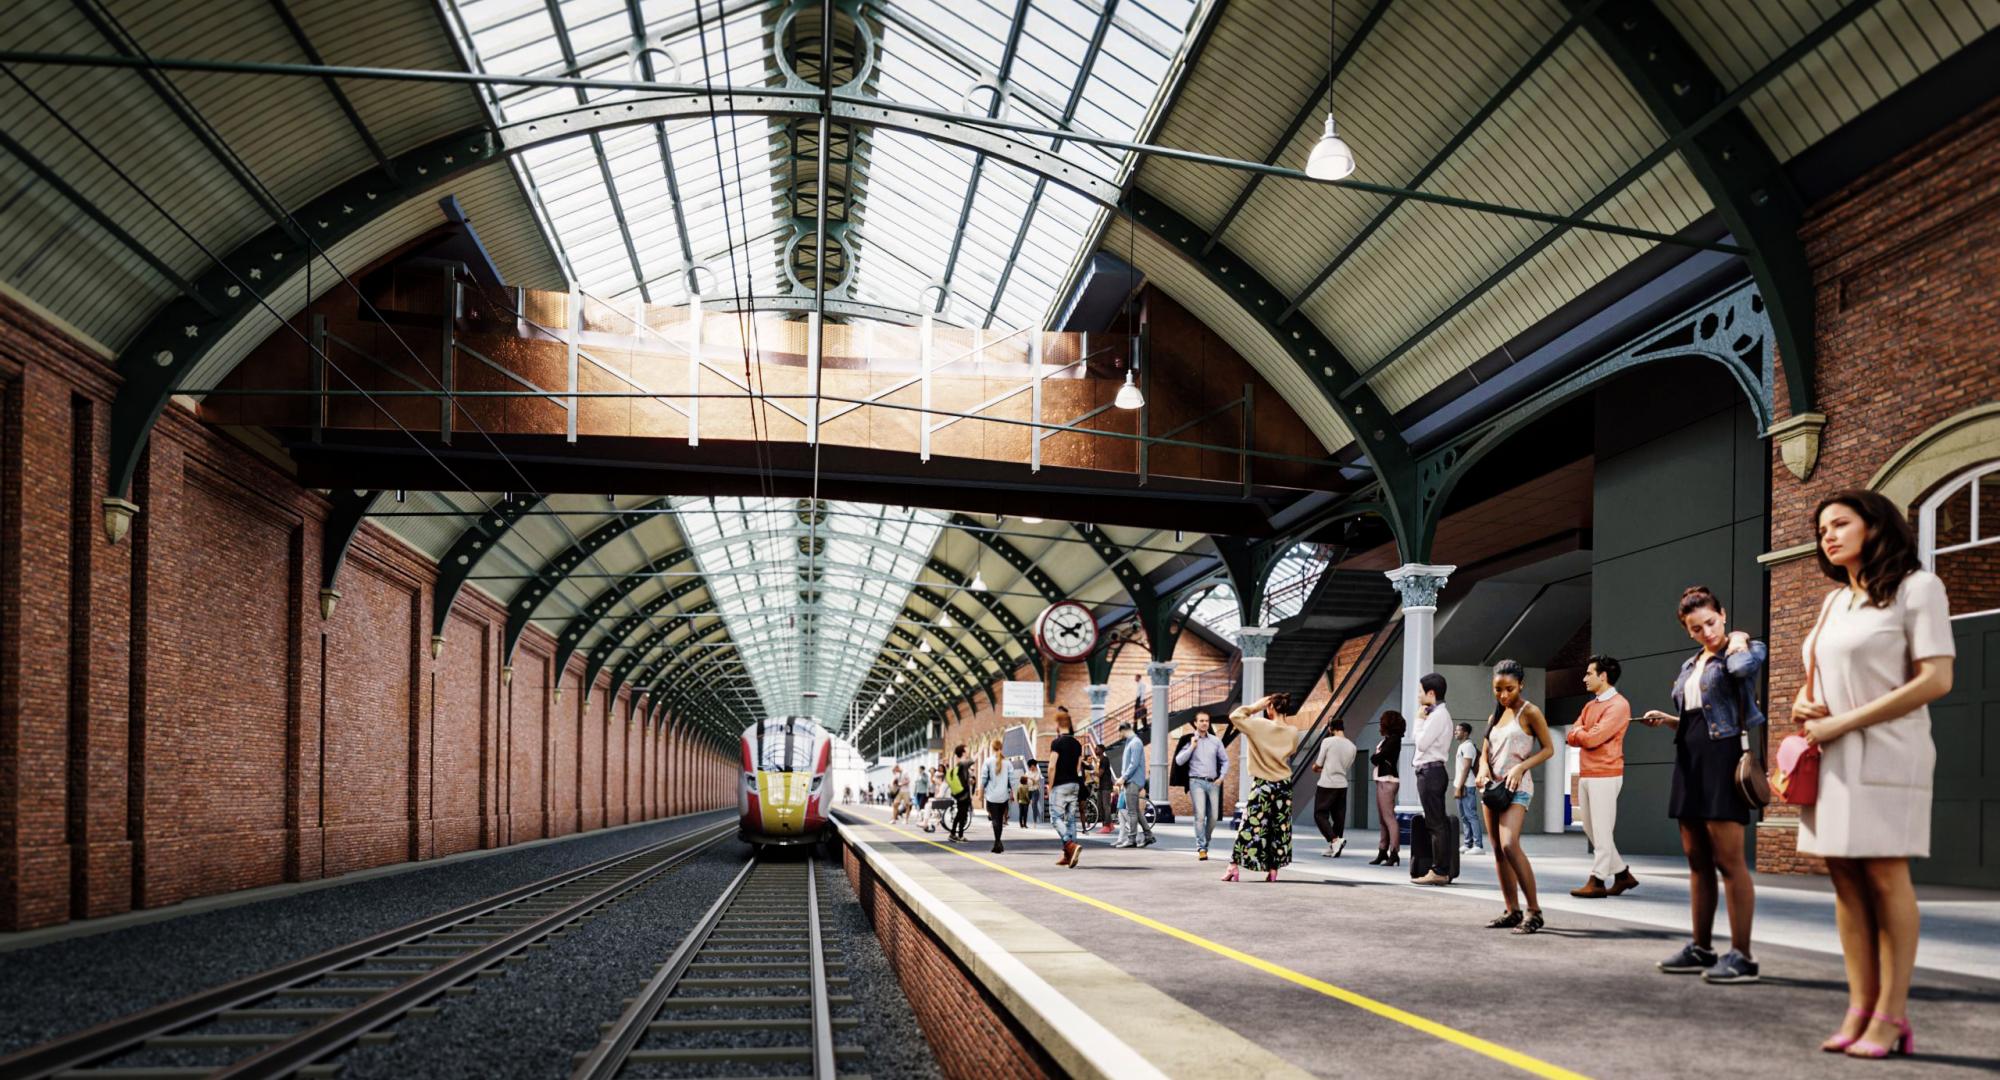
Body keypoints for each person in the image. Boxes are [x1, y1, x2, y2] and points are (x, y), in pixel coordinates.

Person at [1796, 491, 1954, 1056]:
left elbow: (1936, 679)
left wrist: (1844, 722)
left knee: (1886, 876)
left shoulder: (1919, 588)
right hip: (1832, 755)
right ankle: (1859, 1006)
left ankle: (1892, 1015)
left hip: (1890, 751)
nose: (1828, 536)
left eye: (1840, 524)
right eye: (1821, 530)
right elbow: (1815, 679)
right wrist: (1805, 705)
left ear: (1875, 525)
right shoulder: (1833, 602)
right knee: (1844, 878)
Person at [1637, 585, 1767, 983]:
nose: (1706, 631)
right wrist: (1670, 719)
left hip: (1722, 759)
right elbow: (1696, 713)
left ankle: (1742, 956)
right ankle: (1701, 947)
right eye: (1696, 628)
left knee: (1729, 862)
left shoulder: (1746, 648)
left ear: (1722, 615)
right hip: (1689, 761)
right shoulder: (1690, 664)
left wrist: (1739, 638)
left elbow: (1742, 671)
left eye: (1710, 622)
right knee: (1696, 861)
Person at [1477, 658, 1555, 934]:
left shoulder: (1530, 712)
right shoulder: (1495, 716)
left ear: (1521, 684)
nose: (1503, 695)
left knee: (1510, 844)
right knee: (1498, 850)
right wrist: (1483, 767)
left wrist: (1522, 766)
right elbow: (1485, 749)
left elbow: (1548, 749)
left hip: (1518, 788)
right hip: (1492, 788)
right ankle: (1512, 910)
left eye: (1509, 689)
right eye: (1498, 689)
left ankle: (1534, 911)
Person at [1568, 655, 1637, 899]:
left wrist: (1582, 733)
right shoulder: (1591, 705)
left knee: (1602, 829)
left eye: (1589, 673)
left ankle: (1597, 881)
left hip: (1606, 774)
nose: (1585, 678)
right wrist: (1583, 733)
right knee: (1592, 828)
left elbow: (1591, 738)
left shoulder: (1619, 705)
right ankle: (1621, 874)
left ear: (1603, 676)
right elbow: (1571, 735)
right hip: (1588, 772)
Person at [1222, 693, 1303, 882]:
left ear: (1270, 708)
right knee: (1279, 827)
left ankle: (1233, 866)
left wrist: (1254, 707)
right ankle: (1273, 870)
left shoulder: (1259, 726)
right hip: (1283, 784)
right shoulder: (1293, 731)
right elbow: (1291, 750)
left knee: (1250, 825)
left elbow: (1235, 717)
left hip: (1263, 783)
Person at [1412, 673, 1455, 885]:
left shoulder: (1438, 716)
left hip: (1431, 772)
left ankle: (1439, 870)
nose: (1418, 695)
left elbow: (1420, 743)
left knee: (1435, 824)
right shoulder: (1438, 714)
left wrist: (1419, 720)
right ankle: (1440, 868)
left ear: (1431, 693)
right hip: (1432, 771)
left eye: (1421, 691)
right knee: (1436, 822)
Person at [1174, 710, 1230, 860]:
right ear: (1196, 723)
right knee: (1199, 815)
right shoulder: (1189, 740)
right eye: (1201, 721)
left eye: (1207, 721)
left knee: (1213, 817)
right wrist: (1192, 747)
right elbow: (1179, 761)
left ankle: (1205, 840)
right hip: (1196, 781)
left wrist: (1222, 777)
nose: (1205, 723)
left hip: (1213, 783)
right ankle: (1201, 847)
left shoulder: (1215, 741)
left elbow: (1225, 760)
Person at [1310, 719, 1358, 856]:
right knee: (1338, 817)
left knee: (1319, 814)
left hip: (1327, 783)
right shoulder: (1352, 746)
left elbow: (1318, 763)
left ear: (1331, 729)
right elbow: (1345, 767)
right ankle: (1334, 847)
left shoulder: (1328, 741)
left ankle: (1334, 840)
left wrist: (1315, 767)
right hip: (1342, 784)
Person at [1049, 709, 1085, 868]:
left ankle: (1069, 844)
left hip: (1060, 785)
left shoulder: (1057, 743)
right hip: (1074, 784)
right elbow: (1078, 768)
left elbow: (1051, 767)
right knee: (1070, 820)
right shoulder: (1077, 744)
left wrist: (1050, 786)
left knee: (1055, 818)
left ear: (1058, 725)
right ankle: (1068, 855)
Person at [1368, 712, 1405, 866]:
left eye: (1382, 722)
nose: (1379, 725)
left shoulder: (1394, 740)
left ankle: (1394, 852)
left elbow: (1378, 757)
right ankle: (1383, 851)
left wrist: (1375, 757)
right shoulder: (1390, 739)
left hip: (1388, 780)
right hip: (1383, 779)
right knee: (1384, 819)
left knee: (1389, 818)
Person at [1112, 721, 1152, 848]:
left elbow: (1134, 764)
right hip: (1131, 780)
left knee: (1131, 812)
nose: (1121, 735)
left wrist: (1123, 778)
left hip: (1133, 781)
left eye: (1121, 733)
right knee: (1136, 811)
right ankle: (1148, 836)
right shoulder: (1131, 742)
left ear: (1124, 730)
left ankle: (1131, 839)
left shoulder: (1135, 743)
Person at [1451, 722, 1486, 855]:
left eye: (1458, 730)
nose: (1455, 732)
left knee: (1471, 815)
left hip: (1467, 785)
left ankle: (1478, 845)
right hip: (1460, 784)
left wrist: (1459, 787)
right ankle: (1468, 843)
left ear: (1465, 733)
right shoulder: (1462, 746)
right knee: (1464, 816)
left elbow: (1466, 768)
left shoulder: (1468, 747)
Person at [981, 738, 1017, 854]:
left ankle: (997, 842)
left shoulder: (987, 761)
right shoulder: (1008, 763)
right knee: (999, 820)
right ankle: (998, 842)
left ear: (992, 748)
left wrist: (981, 793)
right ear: (1001, 748)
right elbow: (1012, 780)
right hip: (1003, 796)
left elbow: (984, 779)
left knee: (995, 819)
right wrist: (1014, 793)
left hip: (991, 796)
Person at [946, 745, 974, 842]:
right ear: (963, 752)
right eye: (966, 749)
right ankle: (956, 834)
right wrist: (982, 748)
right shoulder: (963, 763)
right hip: (964, 794)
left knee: (961, 814)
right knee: (961, 814)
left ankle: (956, 834)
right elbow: (973, 760)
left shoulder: (958, 764)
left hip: (960, 794)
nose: (968, 750)